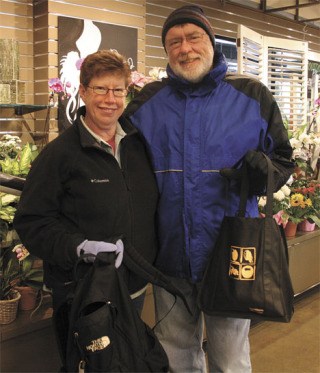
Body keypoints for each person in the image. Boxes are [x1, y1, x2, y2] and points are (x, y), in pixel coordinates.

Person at [125, 5, 295, 373]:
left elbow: (284, 161)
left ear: (212, 42)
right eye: (174, 42)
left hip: (233, 254)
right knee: (176, 355)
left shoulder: (252, 95)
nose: (185, 48)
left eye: (193, 37)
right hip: (169, 255)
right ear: (166, 51)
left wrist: (263, 171)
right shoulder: (147, 103)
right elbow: (114, 155)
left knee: (230, 359)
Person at [13, 50, 159, 368]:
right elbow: (32, 221)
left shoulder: (138, 147)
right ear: (82, 91)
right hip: (83, 294)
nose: (110, 99)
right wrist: (80, 247)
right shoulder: (60, 155)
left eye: (117, 90)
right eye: (100, 89)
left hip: (133, 287)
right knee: (88, 365)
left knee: (129, 362)